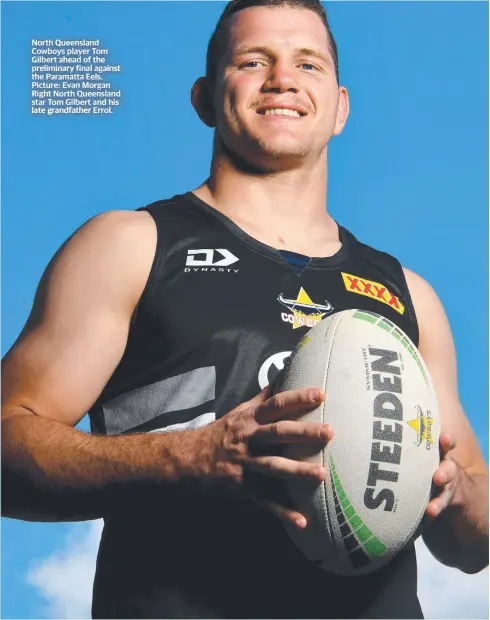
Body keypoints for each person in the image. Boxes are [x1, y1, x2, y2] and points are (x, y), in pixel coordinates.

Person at [2, 0, 488, 617]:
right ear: (205, 98)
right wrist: (188, 457)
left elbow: (477, 538)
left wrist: (455, 495)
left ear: (340, 107)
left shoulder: (408, 296)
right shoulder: (131, 246)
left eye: (307, 64)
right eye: (253, 60)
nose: (282, 78)